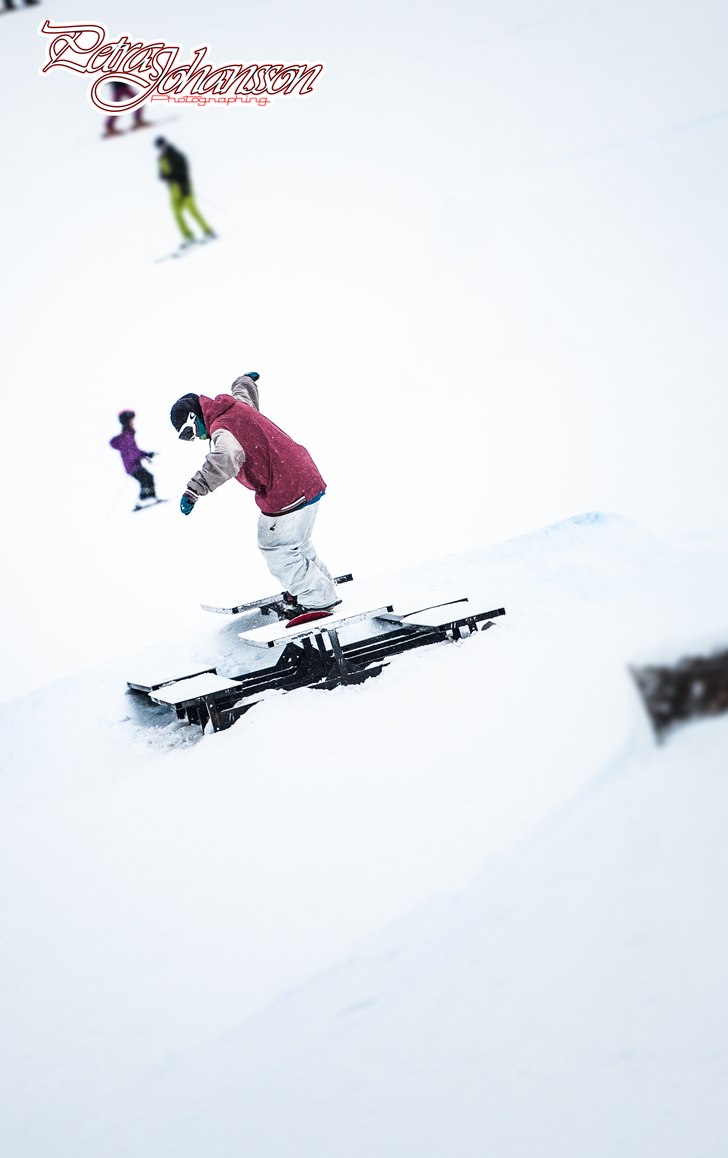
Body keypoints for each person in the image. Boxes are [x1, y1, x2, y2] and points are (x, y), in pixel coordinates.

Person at [170, 373, 340, 615]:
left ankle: (317, 597)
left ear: (193, 416)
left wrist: (194, 490)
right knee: (296, 543)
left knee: (276, 548)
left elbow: (227, 457)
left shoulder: (221, 427)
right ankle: (320, 586)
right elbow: (243, 392)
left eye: (189, 432)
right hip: (305, 475)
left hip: (286, 488)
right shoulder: (234, 406)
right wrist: (245, 380)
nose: (197, 438)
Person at [154, 137, 216, 247]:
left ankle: (208, 231)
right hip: (173, 190)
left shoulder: (177, 155)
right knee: (177, 215)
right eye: (159, 148)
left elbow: (184, 171)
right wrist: (163, 176)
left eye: (162, 146)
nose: (161, 150)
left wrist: (172, 175)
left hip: (184, 187)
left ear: (166, 144)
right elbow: (162, 173)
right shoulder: (160, 159)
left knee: (192, 210)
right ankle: (188, 236)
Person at [110, 410, 158, 505]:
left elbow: (135, 451)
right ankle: (144, 500)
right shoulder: (126, 436)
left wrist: (147, 454)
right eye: (131, 420)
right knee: (146, 479)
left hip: (134, 465)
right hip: (132, 465)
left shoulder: (128, 435)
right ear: (127, 421)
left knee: (147, 478)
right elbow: (131, 452)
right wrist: (136, 459)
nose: (133, 422)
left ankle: (148, 498)